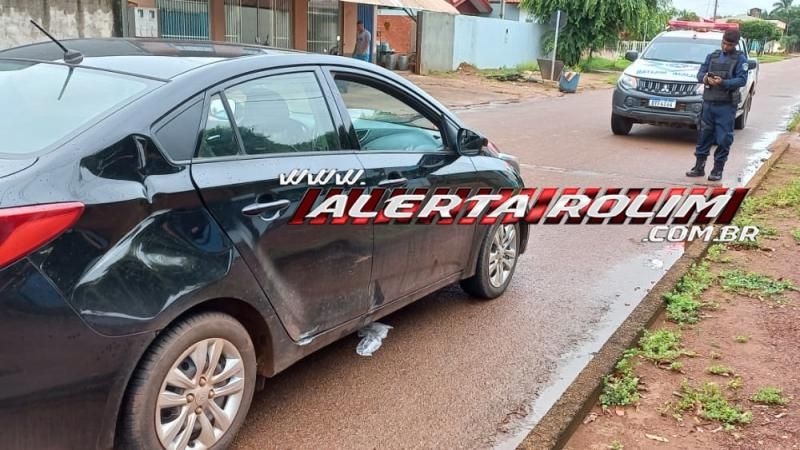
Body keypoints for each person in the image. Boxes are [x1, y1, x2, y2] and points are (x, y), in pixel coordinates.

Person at [686, 29, 749, 182]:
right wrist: (706, 79)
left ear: (735, 44)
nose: (725, 47)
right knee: (704, 135)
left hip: (726, 106)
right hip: (709, 103)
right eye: (724, 43)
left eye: (729, 44)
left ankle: (717, 169)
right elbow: (700, 74)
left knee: (723, 139)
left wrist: (724, 83)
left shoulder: (741, 59)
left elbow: (742, 80)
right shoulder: (712, 56)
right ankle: (699, 167)